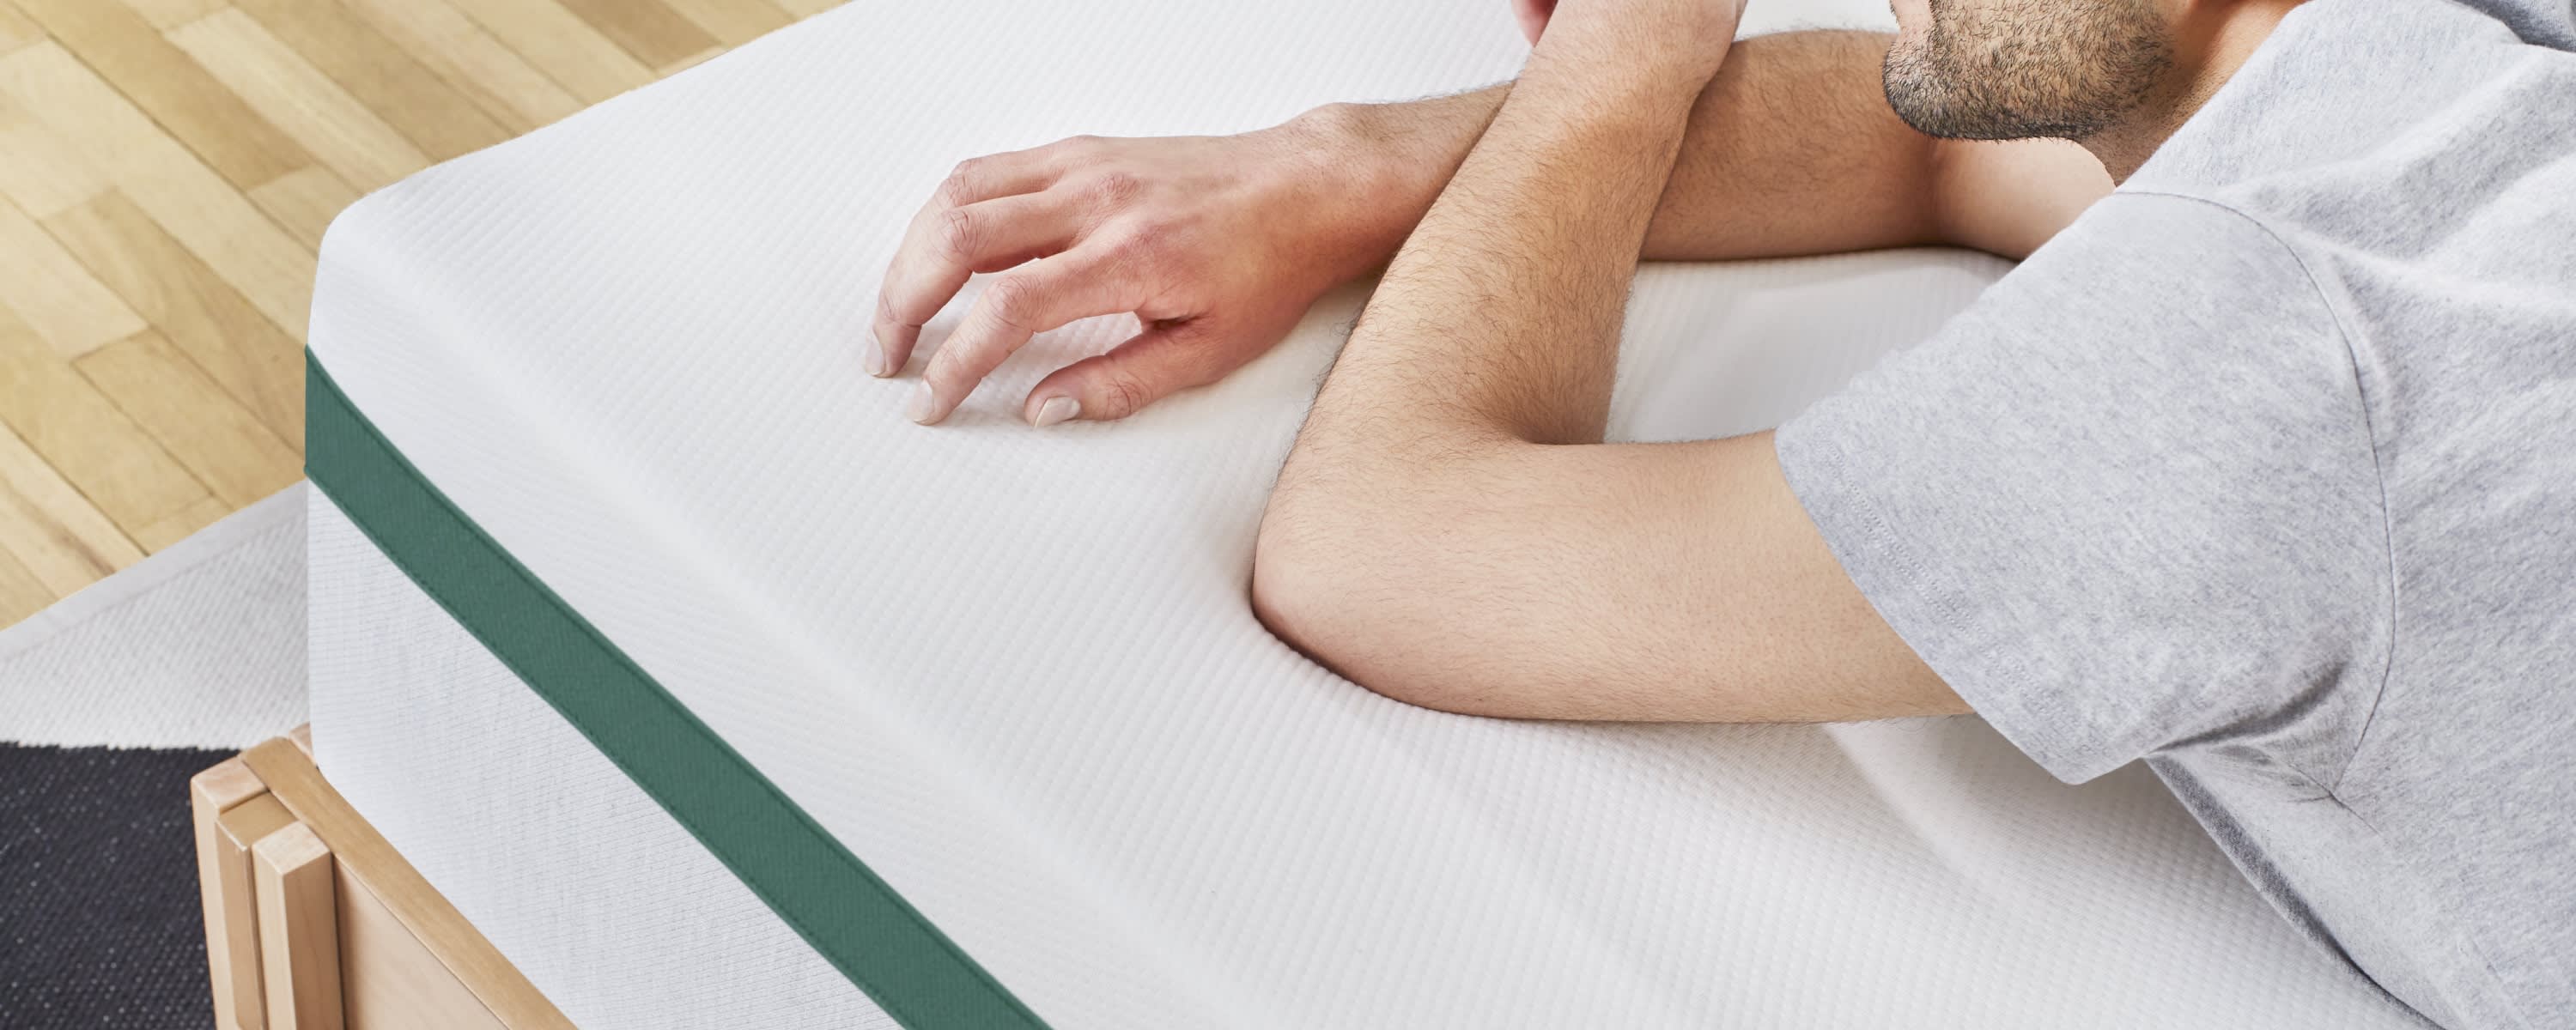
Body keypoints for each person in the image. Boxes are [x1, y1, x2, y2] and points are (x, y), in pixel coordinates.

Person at [868, 0, 2575, 1025]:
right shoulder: (2463, 85)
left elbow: (1374, 551)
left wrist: (1619, 69)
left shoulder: (2257, 336)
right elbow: (1939, 142)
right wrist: (1344, 169)